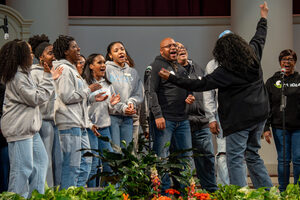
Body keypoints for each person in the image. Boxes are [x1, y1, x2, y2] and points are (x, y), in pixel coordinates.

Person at [159, 2, 273, 189]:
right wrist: (263, 17)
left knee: (234, 158)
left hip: (239, 120)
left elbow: (198, 84)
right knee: (252, 154)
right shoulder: (253, 55)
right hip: (260, 116)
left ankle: (238, 194)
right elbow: (260, 36)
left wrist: (171, 78)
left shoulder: (225, 71)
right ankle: (269, 192)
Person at [0, 40, 60, 198]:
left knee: (41, 162)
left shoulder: (23, 74)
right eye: (29, 52)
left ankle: (36, 196)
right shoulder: (17, 77)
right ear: (21, 55)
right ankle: (15, 197)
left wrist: (47, 78)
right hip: (19, 128)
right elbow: (35, 98)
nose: (32, 55)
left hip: (29, 129)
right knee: (21, 169)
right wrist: (48, 78)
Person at [52, 35, 102, 189]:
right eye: (74, 47)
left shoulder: (71, 69)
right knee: (72, 166)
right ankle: (68, 195)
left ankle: (76, 193)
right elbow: (67, 97)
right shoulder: (64, 69)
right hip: (69, 122)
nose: (78, 49)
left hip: (78, 123)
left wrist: (90, 96)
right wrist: (88, 90)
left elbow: (77, 98)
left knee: (86, 162)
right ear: (66, 51)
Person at [148, 37, 195, 193]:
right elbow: (151, 91)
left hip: (182, 120)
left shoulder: (180, 68)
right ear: (162, 50)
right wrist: (158, 115)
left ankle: (186, 192)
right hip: (165, 119)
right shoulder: (157, 65)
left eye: (174, 45)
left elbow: (187, 87)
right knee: (162, 158)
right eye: (169, 46)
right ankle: (163, 193)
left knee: (186, 157)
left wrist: (189, 96)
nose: (173, 48)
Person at [176, 42, 218, 192]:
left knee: (207, 158)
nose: (182, 50)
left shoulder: (199, 68)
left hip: (202, 122)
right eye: (178, 49)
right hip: (183, 123)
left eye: (183, 48)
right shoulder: (172, 71)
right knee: (185, 161)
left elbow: (209, 92)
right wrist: (182, 101)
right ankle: (187, 192)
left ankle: (211, 191)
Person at [28, 34, 63, 187]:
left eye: (54, 53)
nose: (54, 56)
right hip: (42, 121)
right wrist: (51, 78)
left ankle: (58, 191)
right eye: (50, 53)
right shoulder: (33, 72)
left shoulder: (56, 70)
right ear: (40, 57)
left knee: (58, 160)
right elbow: (37, 98)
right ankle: (44, 192)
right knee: (45, 161)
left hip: (56, 121)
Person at [263, 49, 300, 192]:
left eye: (290, 59)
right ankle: (283, 190)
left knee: (298, 159)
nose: (287, 62)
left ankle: (297, 190)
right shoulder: (273, 81)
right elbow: (267, 105)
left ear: (295, 62)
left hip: (298, 127)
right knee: (283, 160)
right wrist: (266, 128)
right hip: (279, 127)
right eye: (284, 59)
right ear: (280, 62)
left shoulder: (299, 79)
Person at [82, 53, 120, 187]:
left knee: (108, 164)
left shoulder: (107, 84)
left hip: (104, 128)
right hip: (90, 129)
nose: (103, 65)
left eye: (104, 62)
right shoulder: (85, 83)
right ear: (91, 66)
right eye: (99, 62)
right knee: (92, 165)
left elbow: (106, 107)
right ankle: (92, 194)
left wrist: (112, 104)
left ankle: (106, 194)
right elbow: (81, 107)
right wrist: (90, 124)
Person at [105, 41, 144, 148]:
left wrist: (131, 103)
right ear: (110, 55)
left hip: (128, 117)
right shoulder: (106, 69)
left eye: (122, 49)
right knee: (115, 150)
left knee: (127, 151)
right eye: (116, 50)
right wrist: (122, 107)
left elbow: (138, 92)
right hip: (112, 116)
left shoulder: (132, 72)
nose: (120, 52)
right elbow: (107, 93)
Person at [203, 59, 230, 186]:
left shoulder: (242, 61)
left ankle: (240, 188)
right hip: (222, 114)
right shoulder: (212, 64)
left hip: (241, 115)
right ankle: (224, 189)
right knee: (223, 153)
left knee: (240, 153)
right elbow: (208, 93)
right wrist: (211, 118)